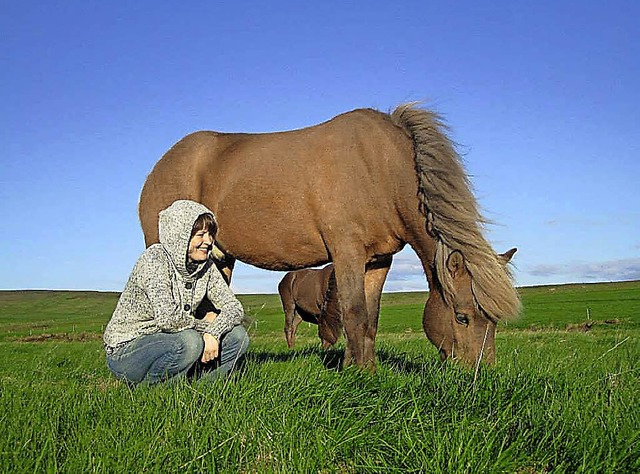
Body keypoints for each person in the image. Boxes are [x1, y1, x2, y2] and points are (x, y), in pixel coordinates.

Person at [103, 200, 249, 385]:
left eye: (211, 234)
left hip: (172, 339)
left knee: (238, 337)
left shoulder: (206, 267)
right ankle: (151, 393)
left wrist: (215, 332)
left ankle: (199, 390)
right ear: (180, 235)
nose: (209, 241)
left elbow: (234, 308)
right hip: (127, 350)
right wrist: (207, 327)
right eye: (200, 235)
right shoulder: (155, 259)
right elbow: (168, 319)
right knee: (190, 342)